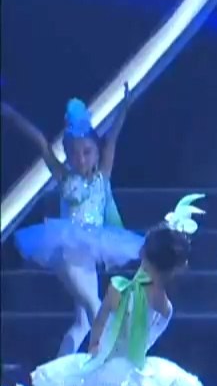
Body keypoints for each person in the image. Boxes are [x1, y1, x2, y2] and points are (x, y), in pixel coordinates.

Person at [18, 196, 205, 386]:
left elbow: (103, 329)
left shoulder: (120, 291)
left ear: (142, 253)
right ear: (175, 268)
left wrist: (95, 347)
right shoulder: (164, 307)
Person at [3, 89, 143, 356]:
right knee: (95, 307)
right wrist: (11, 116)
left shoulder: (103, 176)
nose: (81, 159)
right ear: (67, 154)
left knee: (82, 324)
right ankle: (114, 360)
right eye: (74, 154)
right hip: (67, 251)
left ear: (97, 152)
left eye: (87, 152)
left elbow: (112, 137)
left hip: (90, 254)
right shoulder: (64, 176)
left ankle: (57, 371)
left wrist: (124, 107)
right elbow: (41, 142)